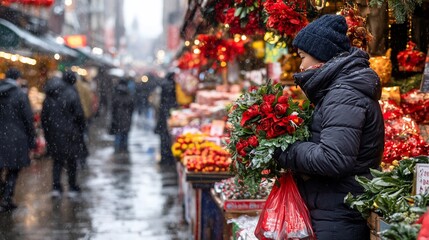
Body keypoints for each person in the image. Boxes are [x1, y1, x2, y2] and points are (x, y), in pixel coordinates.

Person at [273, 14, 385, 240]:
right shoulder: (339, 91)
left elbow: (333, 158)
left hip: (338, 216)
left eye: (303, 57)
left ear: (321, 57)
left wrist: (283, 150)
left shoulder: (344, 94)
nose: (301, 66)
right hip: (333, 209)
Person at [41, 71, 88, 197]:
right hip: (70, 133)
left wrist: (47, 131)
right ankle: (72, 186)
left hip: (54, 133)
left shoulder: (51, 92)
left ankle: (56, 187)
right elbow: (79, 115)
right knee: (71, 161)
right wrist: (81, 128)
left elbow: (44, 114)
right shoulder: (72, 93)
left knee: (57, 161)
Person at [0, 68, 36, 212]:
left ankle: (4, 193)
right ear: (17, 79)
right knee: (13, 170)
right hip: (15, 138)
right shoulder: (20, 95)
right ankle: (7, 198)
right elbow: (28, 119)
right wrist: (31, 141)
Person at [155, 72, 178, 167]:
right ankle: (168, 158)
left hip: (162, 114)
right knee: (167, 138)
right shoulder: (172, 85)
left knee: (163, 138)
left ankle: (164, 158)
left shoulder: (163, 84)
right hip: (167, 113)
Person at [110, 78, 134, 154]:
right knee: (125, 134)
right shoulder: (129, 94)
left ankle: (117, 149)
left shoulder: (116, 94)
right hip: (127, 118)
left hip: (117, 118)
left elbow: (112, 107)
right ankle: (124, 149)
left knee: (118, 134)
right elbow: (132, 107)